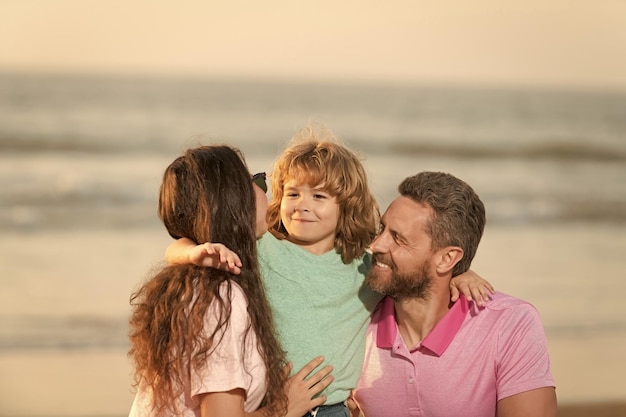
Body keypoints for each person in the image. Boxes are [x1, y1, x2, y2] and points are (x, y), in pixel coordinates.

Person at [166, 125, 494, 417]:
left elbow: (415, 271)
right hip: (269, 403)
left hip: (333, 408)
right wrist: (195, 253)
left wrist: (461, 274)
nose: (302, 204)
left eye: (319, 196)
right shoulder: (262, 249)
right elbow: (174, 249)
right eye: (293, 193)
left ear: (346, 207)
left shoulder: (366, 267)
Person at [128, 145, 333, 417]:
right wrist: (285, 407)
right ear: (234, 200)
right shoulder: (219, 297)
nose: (267, 192)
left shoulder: (191, 282)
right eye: (256, 181)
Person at [350, 171, 557, 417]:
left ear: (447, 258)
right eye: (382, 228)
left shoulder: (510, 324)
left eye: (398, 238)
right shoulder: (355, 314)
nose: (377, 245)